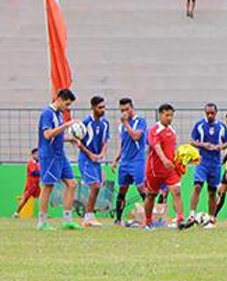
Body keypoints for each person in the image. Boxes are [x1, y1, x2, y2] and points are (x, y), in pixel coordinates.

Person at [37, 88, 82, 231]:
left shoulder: (59, 115)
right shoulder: (47, 113)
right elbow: (48, 135)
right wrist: (66, 125)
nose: (68, 108)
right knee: (47, 186)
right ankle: (42, 222)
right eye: (67, 104)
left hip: (60, 155)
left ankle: (67, 220)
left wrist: (70, 139)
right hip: (49, 155)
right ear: (60, 100)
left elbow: (57, 136)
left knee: (72, 184)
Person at [144, 103, 193, 230]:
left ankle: (180, 220)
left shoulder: (172, 131)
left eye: (171, 115)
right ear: (160, 115)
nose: (169, 118)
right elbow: (156, 146)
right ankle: (148, 221)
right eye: (167, 115)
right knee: (151, 195)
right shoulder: (155, 130)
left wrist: (179, 161)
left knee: (176, 192)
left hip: (170, 169)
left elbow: (172, 149)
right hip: (155, 170)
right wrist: (164, 159)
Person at [189, 103, 227, 228]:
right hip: (202, 161)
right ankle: (191, 215)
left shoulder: (221, 127)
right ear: (205, 113)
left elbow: (226, 142)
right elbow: (192, 141)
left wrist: (219, 147)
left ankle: (211, 218)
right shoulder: (200, 125)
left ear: (216, 113)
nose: (210, 115)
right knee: (197, 186)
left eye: (212, 113)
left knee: (212, 192)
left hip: (215, 163)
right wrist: (203, 145)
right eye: (208, 113)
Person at [111, 98, 147, 226]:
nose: (125, 112)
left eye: (127, 109)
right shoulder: (122, 125)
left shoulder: (140, 121)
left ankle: (149, 217)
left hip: (137, 160)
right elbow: (123, 143)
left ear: (132, 108)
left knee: (141, 187)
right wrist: (116, 159)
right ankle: (118, 219)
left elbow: (136, 136)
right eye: (122, 110)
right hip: (125, 162)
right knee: (122, 190)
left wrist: (126, 124)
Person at [77, 96, 110, 227]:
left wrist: (102, 154)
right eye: (100, 107)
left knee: (97, 188)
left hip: (96, 160)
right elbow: (78, 143)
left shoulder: (105, 123)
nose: (103, 110)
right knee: (95, 186)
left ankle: (89, 216)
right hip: (85, 159)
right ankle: (87, 217)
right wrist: (90, 154)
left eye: (104, 107)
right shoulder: (86, 123)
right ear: (93, 108)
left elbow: (106, 140)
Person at [13, 148, 41, 218]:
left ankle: (43, 214)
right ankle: (16, 213)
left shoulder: (38, 164)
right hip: (31, 185)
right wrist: (43, 173)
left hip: (36, 185)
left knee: (42, 198)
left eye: (39, 154)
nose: (38, 155)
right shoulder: (31, 162)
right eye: (37, 154)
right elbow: (33, 172)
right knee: (25, 199)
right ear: (33, 155)